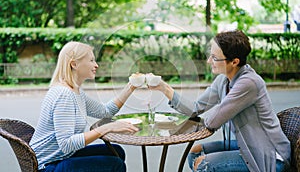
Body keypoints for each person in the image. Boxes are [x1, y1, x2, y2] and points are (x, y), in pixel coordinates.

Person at [149, 30, 291, 172]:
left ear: (234, 62)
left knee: (204, 164)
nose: (209, 61)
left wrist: (207, 117)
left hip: (268, 155)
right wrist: (164, 88)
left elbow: (213, 122)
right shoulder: (223, 80)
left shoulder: (249, 83)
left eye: (215, 58)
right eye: (210, 55)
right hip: (245, 145)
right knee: (195, 153)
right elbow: (195, 108)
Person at [29, 41, 139, 172]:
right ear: (74, 64)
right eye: (91, 60)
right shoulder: (64, 95)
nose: (96, 65)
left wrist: (131, 87)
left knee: (116, 151)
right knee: (115, 164)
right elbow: (67, 144)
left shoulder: (76, 92)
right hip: (47, 166)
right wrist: (107, 128)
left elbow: (106, 111)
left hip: (62, 156)